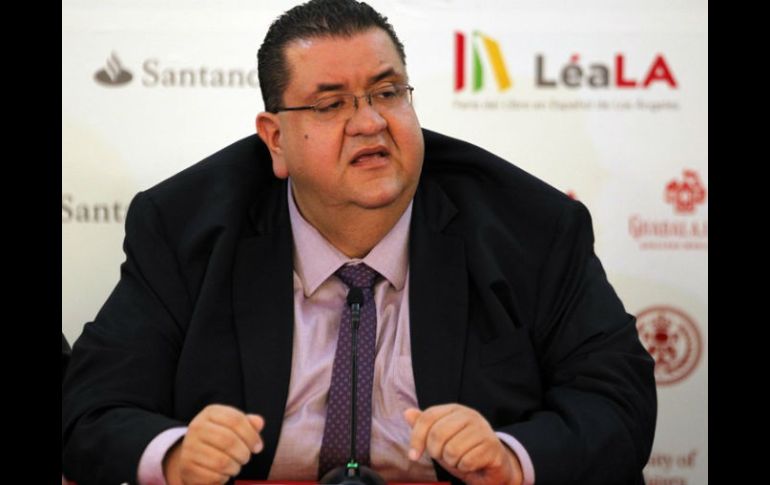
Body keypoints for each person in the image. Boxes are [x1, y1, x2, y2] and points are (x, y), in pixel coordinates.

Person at [61, 1, 657, 484]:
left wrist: (511, 458)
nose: (370, 122)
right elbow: (90, 407)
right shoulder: (185, 227)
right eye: (331, 104)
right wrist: (173, 456)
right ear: (275, 140)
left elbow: (616, 401)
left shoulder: (530, 226)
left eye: (387, 92)